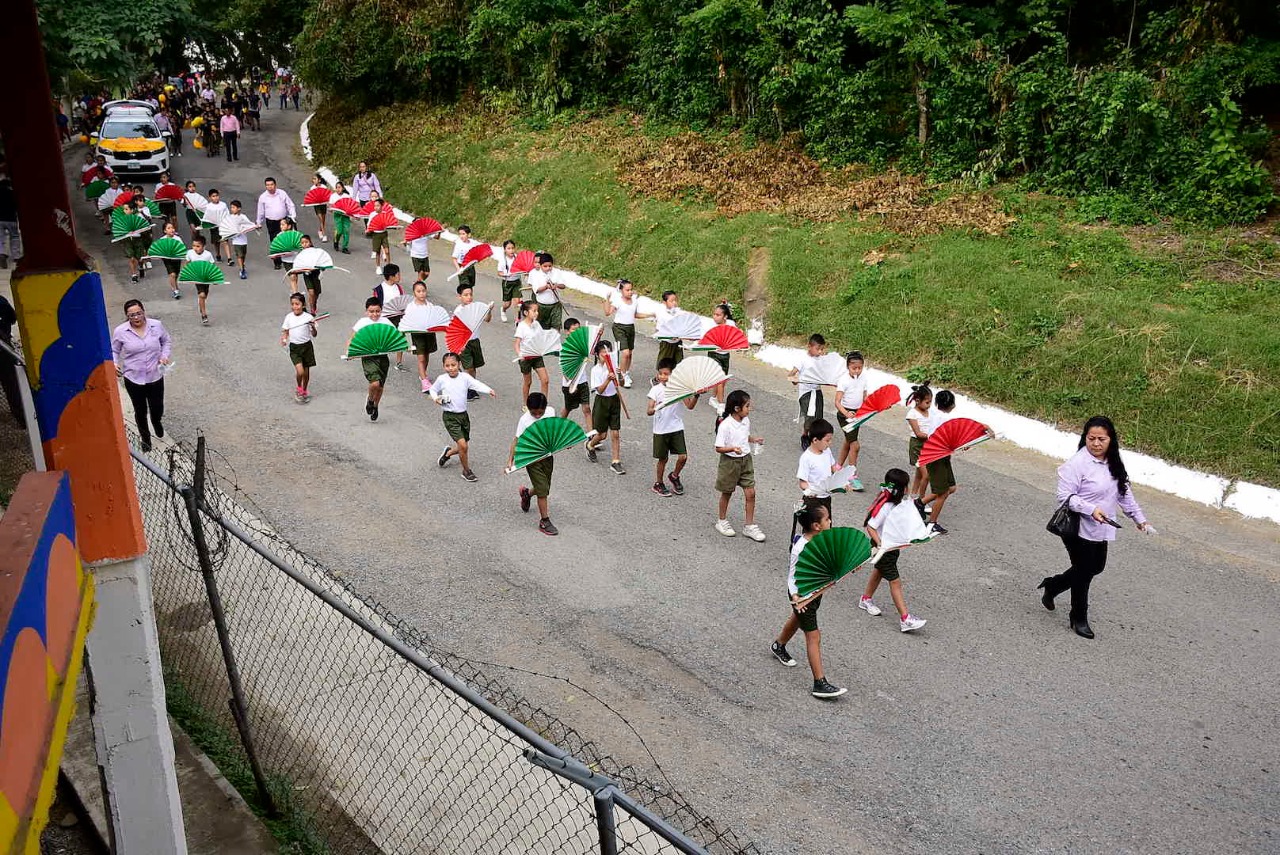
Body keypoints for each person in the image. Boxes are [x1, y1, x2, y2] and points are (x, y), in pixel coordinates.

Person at [1040, 416, 1152, 639]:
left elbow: (1123, 492)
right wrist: (1090, 509)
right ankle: (1078, 617)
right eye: (1091, 438)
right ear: (1085, 438)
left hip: (1102, 526)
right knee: (1083, 572)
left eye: (1102, 439)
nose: (1096, 444)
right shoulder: (1076, 464)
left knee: (1096, 567)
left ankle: (1053, 586)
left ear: (1111, 440)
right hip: (1077, 526)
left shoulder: (1114, 462)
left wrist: (1139, 519)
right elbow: (1065, 496)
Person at [771, 504, 847, 699]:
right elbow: (792, 577)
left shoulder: (822, 539)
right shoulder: (801, 548)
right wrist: (796, 598)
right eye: (827, 519)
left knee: (797, 620)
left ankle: (779, 645)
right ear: (816, 525)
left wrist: (848, 567)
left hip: (815, 593)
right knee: (813, 636)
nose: (830, 521)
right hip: (803, 597)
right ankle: (819, 683)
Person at [860, 468, 928, 633]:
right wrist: (880, 544)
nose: (908, 488)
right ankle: (905, 618)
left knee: (879, 571)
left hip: (891, 547)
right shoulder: (886, 507)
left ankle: (866, 599)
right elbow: (871, 526)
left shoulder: (896, 504)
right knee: (895, 581)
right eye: (906, 486)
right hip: (884, 548)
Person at [919, 389, 994, 534]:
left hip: (938, 455)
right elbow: (968, 427)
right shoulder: (947, 420)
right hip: (938, 458)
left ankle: (919, 503)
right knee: (943, 493)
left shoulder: (934, 414)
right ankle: (932, 523)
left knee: (951, 488)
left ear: (936, 403)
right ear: (952, 404)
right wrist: (986, 428)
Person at [111, 300, 171, 452]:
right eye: (132, 315)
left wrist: (164, 356)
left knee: (157, 407)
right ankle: (145, 439)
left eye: (139, 313)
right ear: (127, 316)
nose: (136, 317)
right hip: (133, 377)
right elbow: (114, 351)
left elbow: (166, 341)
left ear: (144, 312)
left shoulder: (156, 325)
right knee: (140, 410)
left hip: (155, 375)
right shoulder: (121, 331)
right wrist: (114, 363)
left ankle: (156, 421)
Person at [430, 351, 497, 481]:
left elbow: (476, 384)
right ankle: (466, 471)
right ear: (443, 366)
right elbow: (433, 389)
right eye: (447, 366)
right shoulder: (442, 379)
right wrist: (436, 398)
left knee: (463, 446)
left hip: (463, 416)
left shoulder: (465, 377)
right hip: (450, 417)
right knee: (463, 446)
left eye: (453, 365)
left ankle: (448, 453)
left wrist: (488, 390)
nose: (451, 368)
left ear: (459, 364)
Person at [713, 389, 765, 541]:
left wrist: (753, 440)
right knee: (727, 492)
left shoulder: (745, 421)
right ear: (737, 408)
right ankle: (721, 521)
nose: (750, 409)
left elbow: (744, 436)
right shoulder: (726, 425)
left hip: (745, 460)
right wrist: (732, 449)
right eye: (747, 406)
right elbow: (718, 447)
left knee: (751, 493)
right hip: (729, 462)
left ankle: (749, 525)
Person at [510, 392, 559, 535]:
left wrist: (565, 442)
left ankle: (527, 494)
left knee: (544, 486)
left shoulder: (550, 412)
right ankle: (544, 521)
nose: (537, 415)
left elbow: (555, 429)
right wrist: (510, 460)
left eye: (540, 413)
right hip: (532, 459)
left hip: (548, 456)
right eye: (534, 413)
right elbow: (516, 440)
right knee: (542, 489)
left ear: (545, 408)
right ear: (528, 409)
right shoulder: (524, 420)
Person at [648, 358, 697, 497]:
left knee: (683, 457)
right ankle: (658, 483)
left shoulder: (680, 389)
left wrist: (697, 395)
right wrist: (657, 407)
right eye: (660, 373)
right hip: (661, 430)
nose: (662, 377)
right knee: (663, 459)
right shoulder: (656, 390)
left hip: (676, 427)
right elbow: (649, 411)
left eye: (666, 374)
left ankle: (674, 476)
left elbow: (690, 406)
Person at [347, 297, 396, 422]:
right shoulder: (362, 322)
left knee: (380, 386)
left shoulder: (385, 322)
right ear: (366, 311)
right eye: (371, 311)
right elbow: (352, 338)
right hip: (368, 357)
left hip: (383, 357)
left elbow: (395, 336)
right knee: (375, 383)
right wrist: (349, 352)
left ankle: (375, 405)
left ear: (381, 310)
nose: (375, 314)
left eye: (377, 311)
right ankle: (370, 399)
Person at [584, 339, 625, 475]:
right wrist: (608, 379)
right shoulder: (595, 370)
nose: (606, 356)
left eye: (608, 353)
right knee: (602, 434)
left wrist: (619, 375)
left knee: (615, 433)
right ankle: (590, 445)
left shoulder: (614, 366)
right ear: (597, 354)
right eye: (603, 353)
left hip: (614, 400)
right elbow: (600, 390)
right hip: (602, 402)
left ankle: (615, 461)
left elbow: (621, 383)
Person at [604, 279, 651, 389]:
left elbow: (635, 314)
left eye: (631, 290)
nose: (630, 292)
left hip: (630, 328)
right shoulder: (617, 301)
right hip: (619, 328)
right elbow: (607, 313)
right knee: (625, 353)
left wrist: (649, 315)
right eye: (627, 290)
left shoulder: (634, 301)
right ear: (621, 290)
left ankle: (626, 372)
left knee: (629, 353)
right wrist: (607, 299)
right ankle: (621, 375)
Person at [832, 351, 867, 490]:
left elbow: (865, 398)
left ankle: (838, 466)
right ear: (848, 367)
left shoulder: (863, 379)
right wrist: (846, 413)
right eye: (854, 368)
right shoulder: (843, 380)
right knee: (855, 445)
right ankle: (852, 476)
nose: (857, 371)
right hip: (845, 415)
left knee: (848, 440)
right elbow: (837, 402)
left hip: (857, 415)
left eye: (860, 368)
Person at [788, 334, 827, 449]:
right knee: (809, 417)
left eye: (822, 349)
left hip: (817, 391)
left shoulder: (820, 360)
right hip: (806, 393)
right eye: (818, 349)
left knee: (818, 417)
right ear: (809, 346)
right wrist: (795, 380)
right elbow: (791, 374)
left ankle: (815, 438)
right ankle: (805, 436)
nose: (820, 352)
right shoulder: (803, 359)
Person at [797, 418, 839, 521]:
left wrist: (843, 480)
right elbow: (802, 483)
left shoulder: (827, 451)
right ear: (815, 440)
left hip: (826, 498)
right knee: (814, 527)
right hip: (813, 500)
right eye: (827, 440)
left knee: (826, 525)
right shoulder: (806, 458)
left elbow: (833, 467)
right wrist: (810, 491)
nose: (830, 443)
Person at [401, 280, 439, 392]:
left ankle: (423, 374)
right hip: (417, 334)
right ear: (414, 293)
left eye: (423, 291)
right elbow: (407, 320)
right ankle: (424, 381)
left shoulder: (430, 305)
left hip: (428, 333)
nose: (421, 293)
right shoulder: (411, 307)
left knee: (427, 354)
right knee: (421, 357)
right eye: (419, 291)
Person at [280, 293, 318, 403]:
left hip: (307, 347)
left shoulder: (308, 318)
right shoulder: (289, 317)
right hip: (295, 348)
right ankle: (299, 387)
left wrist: (312, 326)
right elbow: (285, 331)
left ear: (303, 305)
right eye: (292, 304)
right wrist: (284, 339)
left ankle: (304, 390)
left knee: (306, 372)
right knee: (300, 371)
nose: (295, 306)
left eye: (297, 304)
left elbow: (314, 334)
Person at [904, 381, 937, 506]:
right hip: (917, 445)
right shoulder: (912, 414)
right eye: (927, 402)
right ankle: (921, 500)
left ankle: (913, 496)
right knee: (926, 475)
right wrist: (932, 436)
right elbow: (918, 433)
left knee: (920, 473)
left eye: (930, 402)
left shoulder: (930, 413)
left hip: (928, 445)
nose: (929, 405)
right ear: (917, 401)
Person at [454, 282, 491, 386]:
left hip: (475, 340)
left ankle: (471, 387)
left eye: (470, 294)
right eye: (465, 295)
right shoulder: (458, 311)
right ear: (459, 296)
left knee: (473, 367)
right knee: (469, 367)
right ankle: (466, 387)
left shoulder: (476, 308)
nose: (469, 297)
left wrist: (488, 310)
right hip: (464, 343)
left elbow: (487, 319)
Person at [256, 177, 297, 270]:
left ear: (275, 185)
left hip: (283, 220)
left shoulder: (282, 193)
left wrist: (292, 216)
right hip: (271, 222)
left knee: (287, 239)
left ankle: (289, 259)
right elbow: (260, 211)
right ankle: (277, 262)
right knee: (274, 241)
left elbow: (290, 205)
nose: (270, 187)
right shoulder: (263, 197)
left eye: (271, 184)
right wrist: (259, 222)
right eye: (267, 185)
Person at [513, 300, 550, 401]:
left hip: (537, 356)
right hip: (525, 358)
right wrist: (520, 354)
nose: (537, 313)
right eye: (534, 311)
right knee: (528, 382)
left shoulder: (537, 324)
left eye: (537, 311)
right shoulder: (522, 326)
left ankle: (543, 403)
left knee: (545, 380)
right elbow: (516, 344)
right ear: (526, 313)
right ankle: (525, 404)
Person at [373, 263, 407, 372]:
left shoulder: (399, 288)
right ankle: (380, 358)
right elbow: (375, 306)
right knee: (383, 339)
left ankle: (399, 362)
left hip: (398, 317)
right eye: (398, 274)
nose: (399, 276)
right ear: (391, 276)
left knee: (400, 338)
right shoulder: (379, 289)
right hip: (384, 318)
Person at [559, 317, 592, 426]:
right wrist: (572, 383)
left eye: (579, 329)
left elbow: (593, 346)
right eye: (574, 330)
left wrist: (599, 334)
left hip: (583, 382)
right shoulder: (564, 349)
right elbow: (564, 369)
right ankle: (558, 427)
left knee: (587, 408)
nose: (577, 332)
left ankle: (591, 434)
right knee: (568, 408)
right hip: (569, 384)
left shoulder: (583, 345)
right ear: (567, 332)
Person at [705, 302, 737, 413]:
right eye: (714, 314)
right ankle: (721, 404)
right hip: (714, 354)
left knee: (722, 381)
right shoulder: (711, 325)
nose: (715, 317)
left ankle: (713, 398)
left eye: (718, 315)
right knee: (720, 379)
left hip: (725, 355)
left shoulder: (731, 324)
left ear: (725, 316)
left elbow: (735, 335)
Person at [0, 295, 24, 429]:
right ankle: (22, 417)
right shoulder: (1, 301)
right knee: (12, 386)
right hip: (4, 349)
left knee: (12, 386)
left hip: (4, 349)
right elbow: (12, 318)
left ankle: (22, 417)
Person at [528, 252, 567, 333]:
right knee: (542, 328)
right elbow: (536, 290)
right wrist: (546, 287)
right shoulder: (535, 274)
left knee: (556, 326)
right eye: (545, 266)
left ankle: (555, 339)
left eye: (550, 266)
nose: (548, 268)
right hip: (542, 305)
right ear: (540, 265)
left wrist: (556, 285)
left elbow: (563, 285)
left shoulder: (556, 272)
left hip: (555, 305)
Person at [219, 200, 254, 280]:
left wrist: (255, 226)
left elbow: (249, 224)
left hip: (243, 240)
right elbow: (226, 227)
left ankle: (242, 265)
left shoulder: (243, 217)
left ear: (239, 208)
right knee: (239, 255)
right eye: (231, 207)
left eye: (234, 207)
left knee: (243, 255)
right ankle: (242, 270)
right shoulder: (229, 218)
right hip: (236, 241)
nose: (232, 209)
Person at [186, 236, 215, 325]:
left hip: (206, 278)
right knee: (202, 295)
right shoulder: (190, 253)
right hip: (196, 277)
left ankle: (201, 303)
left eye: (198, 246)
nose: (195, 248)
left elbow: (212, 266)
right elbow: (187, 264)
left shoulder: (208, 254)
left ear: (203, 246)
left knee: (204, 295)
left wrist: (214, 278)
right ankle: (204, 315)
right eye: (194, 246)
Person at [653, 290, 684, 370]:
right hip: (667, 342)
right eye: (671, 301)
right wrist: (668, 336)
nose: (674, 303)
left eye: (675, 300)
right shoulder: (662, 314)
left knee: (679, 363)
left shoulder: (678, 312)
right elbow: (658, 330)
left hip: (678, 342)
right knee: (664, 363)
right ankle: (660, 376)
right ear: (664, 302)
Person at [296, 234, 324, 315]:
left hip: (315, 274)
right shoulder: (301, 255)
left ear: (310, 242)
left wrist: (321, 268)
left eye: (306, 242)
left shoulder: (316, 252)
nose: (304, 244)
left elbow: (321, 262)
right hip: (307, 275)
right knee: (311, 292)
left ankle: (314, 303)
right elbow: (299, 265)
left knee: (317, 292)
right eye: (302, 243)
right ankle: (312, 310)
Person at [496, 240, 522, 322]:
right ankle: (503, 309)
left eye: (513, 248)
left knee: (517, 301)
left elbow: (522, 267)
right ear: (505, 250)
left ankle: (517, 319)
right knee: (507, 303)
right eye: (509, 248)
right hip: (507, 283)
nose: (511, 250)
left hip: (517, 282)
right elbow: (499, 273)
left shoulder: (517, 258)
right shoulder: (502, 260)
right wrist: (506, 274)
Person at [158, 221, 185, 300]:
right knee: (172, 274)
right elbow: (159, 250)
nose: (171, 229)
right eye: (169, 228)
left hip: (176, 259)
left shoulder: (177, 239)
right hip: (167, 259)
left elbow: (182, 248)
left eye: (172, 228)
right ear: (165, 231)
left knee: (176, 274)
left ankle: (174, 285)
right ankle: (175, 290)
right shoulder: (162, 240)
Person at [451, 225, 482, 293]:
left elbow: (478, 252)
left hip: (470, 267)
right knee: (465, 285)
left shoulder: (473, 243)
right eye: (460, 234)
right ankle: (463, 296)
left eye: (463, 234)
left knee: (470, 285)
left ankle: (468, 296)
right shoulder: (459, 244)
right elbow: (454, 258)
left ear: (469, 235)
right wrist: (458, 269)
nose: (461, 236)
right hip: (462, 267)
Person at [0, 168, 19, 270]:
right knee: (14, 237)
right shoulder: (13, 193)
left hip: (0, 219)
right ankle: (16, 256)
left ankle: (2, 253)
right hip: (11, 218)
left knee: (1, 238)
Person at [330, 181, 352, 254]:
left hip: (346, 215)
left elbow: (351, 206)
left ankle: (345, 247)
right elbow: (330, 206)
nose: (338, 189)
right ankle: (336, 241)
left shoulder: (347, 196)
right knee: (339, 231)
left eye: (339, 187)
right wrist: (331, 209)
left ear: (343, 188)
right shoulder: (333, 196)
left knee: (346, 231)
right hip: (337, 215)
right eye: (336, 187)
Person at [308, 174, 329, 242]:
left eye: (315, 179)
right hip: (317, 205)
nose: (313, 180)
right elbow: (311, 196)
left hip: (323, 204)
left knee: (323, 219)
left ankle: (320, 231)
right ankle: (324, 235)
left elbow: (326, 195)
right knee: (321, 219)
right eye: (313, 179)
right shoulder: (312, 188)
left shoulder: (324, 187)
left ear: (319, 180)